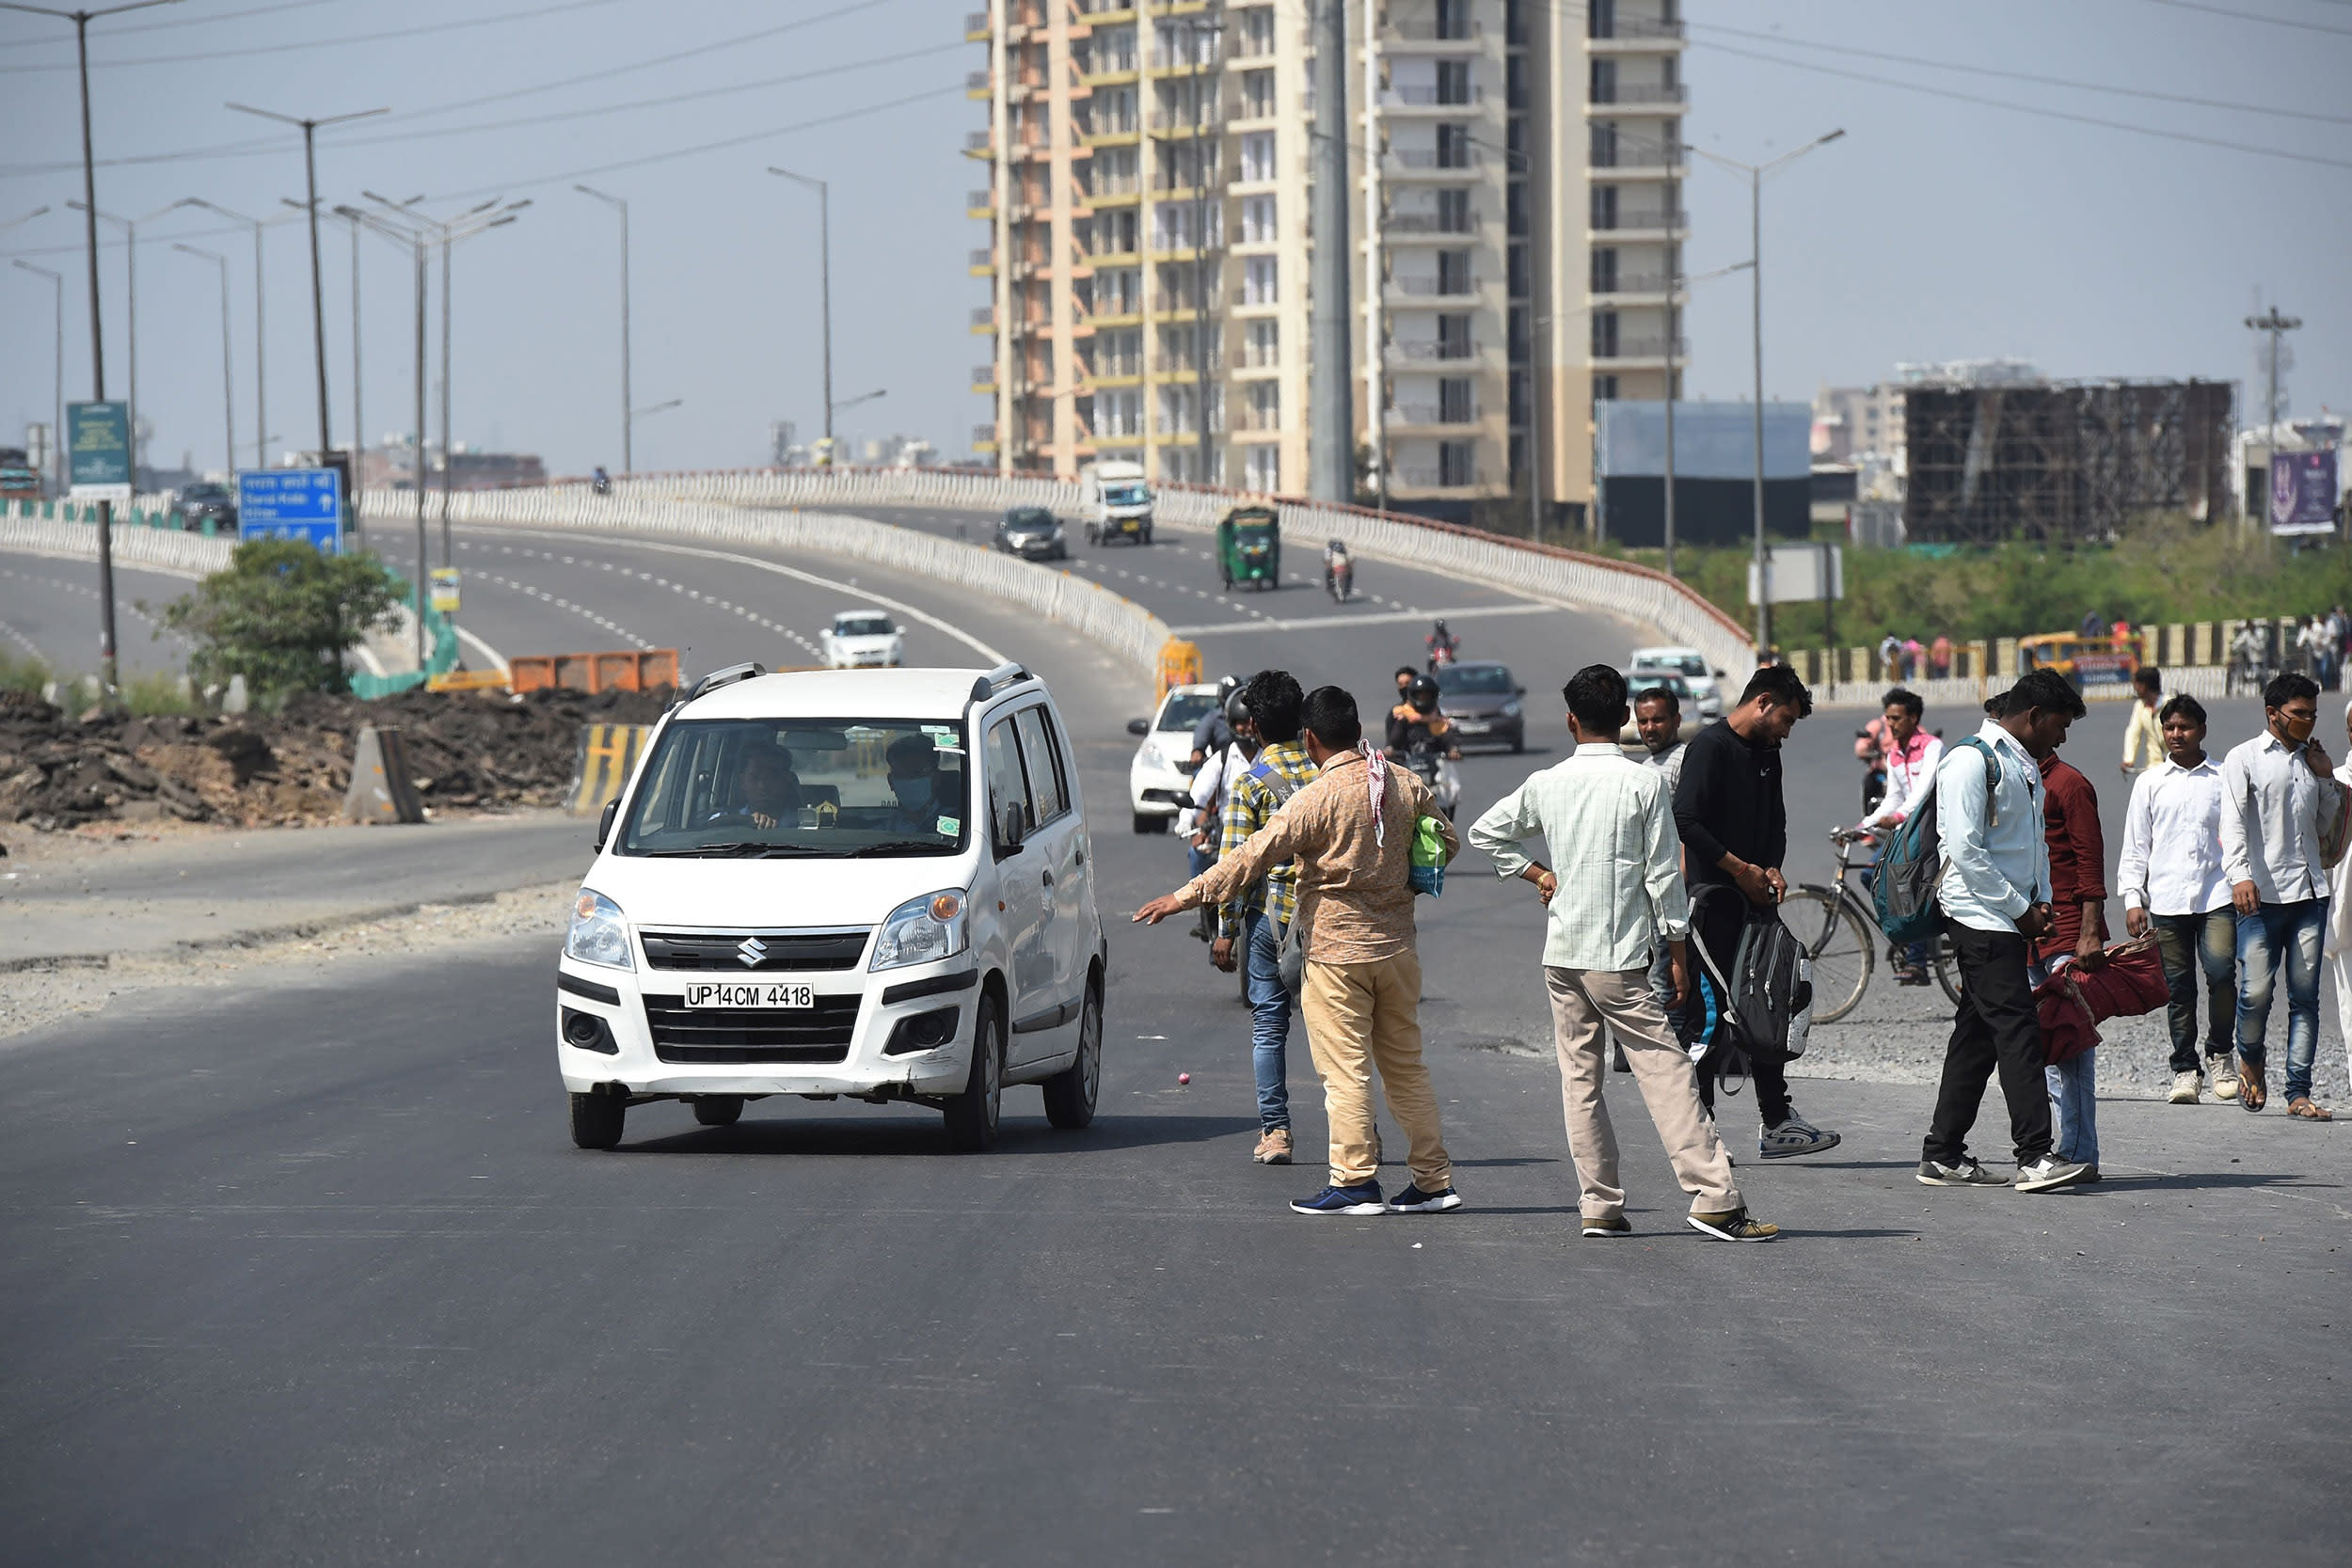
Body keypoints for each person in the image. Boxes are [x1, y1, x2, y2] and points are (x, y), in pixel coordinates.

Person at [1470, 665, 1776, 1243]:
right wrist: (1680, 951)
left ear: (1570, 720)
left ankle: (1599, 1205)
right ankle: (1713, 1196)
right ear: (1625, 722)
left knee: (1579, 1081)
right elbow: (1665, 876)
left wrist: (1538, 873)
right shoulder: (1642, 785)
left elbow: (1489, 832)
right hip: (1619, 956)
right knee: (1666, 1071)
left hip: (1563, 955)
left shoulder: (1547, 782)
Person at [1135, 686, 1463, 1216]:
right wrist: (1397, 877)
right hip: (1398, 950)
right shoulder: (1402, 782)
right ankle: (1432, 1180)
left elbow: (1250, 857)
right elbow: (1445, 842)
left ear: (1309, 738)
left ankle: (1355, 1182)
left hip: (1335, 956)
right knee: (1406, 1068)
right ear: (1356, 730)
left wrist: (1182, 897)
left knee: (1345, 1072)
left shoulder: (1317, 797)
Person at [1916, 670, 2093, 1194]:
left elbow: (2030, 845)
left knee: (1977, 1037)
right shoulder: (1971, 761)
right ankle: (2035, 1156)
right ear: (2033, 716)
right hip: (1979, 918)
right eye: (2058, 726)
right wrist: (2020, 910)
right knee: (2017, 1030)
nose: (2061, 738)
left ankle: (1942, 1155)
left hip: (2008, 918)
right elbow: (1965, 850)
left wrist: (2040, 902)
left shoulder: (2023, 764)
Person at [1673, 662, 1841, 1158]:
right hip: (1713, 903)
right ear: (1762, 702)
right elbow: (1687, 820)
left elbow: (1776, 819)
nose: (1788, 731)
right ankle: (1698, 1133)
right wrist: (1738, 869)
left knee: (1769, 1004)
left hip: (1756, 902)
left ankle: (1777, 1121)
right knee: (1709, 1017)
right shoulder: (1710, 746)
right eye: (1786, 719)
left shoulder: (1768, 750)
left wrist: (1771, 868)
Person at [2218, 671, 2337, 1119]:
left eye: (2312, 714)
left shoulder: (2312, 762)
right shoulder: (2243, 758)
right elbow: (2231, 823)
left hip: (2310, 894)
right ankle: (2249, 1053)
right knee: (2256, 992)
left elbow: (2326, 827)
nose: (2308, 721)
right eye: (2299, 714)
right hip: (2259, 898)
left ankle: (2298, 1092)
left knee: (2305, 997)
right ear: (2273, 714)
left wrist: (2325, 778)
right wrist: (2239, 876)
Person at [1209, 671, 1315, 1166]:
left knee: (1270, 1026)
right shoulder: (1329, 776)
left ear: (1251, 726)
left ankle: (1276, 1133)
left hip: (1269, 925)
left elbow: (1234, 867)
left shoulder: (1251, 784)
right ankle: (1364, 1134)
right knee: (1338, 1030)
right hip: (1327, 920)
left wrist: (1226, 932)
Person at [2119, 694, 2238, 1106]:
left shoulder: (2224, 778)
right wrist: (2133, 897)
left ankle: (2221, 1052)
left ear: (2201, 730)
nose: (2176, 734)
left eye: (2184, 727)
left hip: (2218, 893)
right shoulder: (2150, 783)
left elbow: (2241, 840)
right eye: (2169, 728)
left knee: (2222, 975)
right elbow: (2136, 845)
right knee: (2178, 988)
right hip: (2167, 901)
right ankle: (2186, 1070)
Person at [2038, 728, 2110, 1179]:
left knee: (2072, 1049)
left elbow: (2090, 860)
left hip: (2067, 934)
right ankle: (2065, 1148)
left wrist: (2089, 934)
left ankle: (2081, 1152)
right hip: (2033, 937)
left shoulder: (2068, 783)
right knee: (2048, 1049)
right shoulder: (2019, 781)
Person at [1857, 688, 1944, 985]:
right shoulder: (1894, 754)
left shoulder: (1933, 747)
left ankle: (1917, 960)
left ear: (1913, 718)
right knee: (1870, 876)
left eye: (1897, 718)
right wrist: (1860, 828)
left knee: (1905, 881)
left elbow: (1921, 795)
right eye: (1889, 718)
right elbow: (1892, 797)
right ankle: (1906, 932)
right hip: (1905, 832)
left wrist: (1895, 817)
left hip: (1929, 830)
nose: (1891, 725)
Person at [881, 734, 960, 834]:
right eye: (901, 774)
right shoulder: (881, 830)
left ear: (936, 778)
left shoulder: (961, 823)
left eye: (916, 773)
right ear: (890, 782)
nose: (909, 781)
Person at [711, 745, 801, 828]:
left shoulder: (803, 825)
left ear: (785, 781)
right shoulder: (722, 821)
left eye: (771, 778)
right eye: (754, 778)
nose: (762, 786)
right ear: (742, 781)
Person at [2121, 665, 2164, 777]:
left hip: (2175, 765)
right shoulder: (2140, 706)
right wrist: (2128, 759)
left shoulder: (2170, 704)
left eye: (2135, 684)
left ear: (2143, 686)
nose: (2134, 688)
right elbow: (2133, 732)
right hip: (2154, 766)